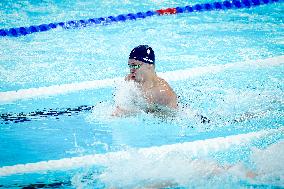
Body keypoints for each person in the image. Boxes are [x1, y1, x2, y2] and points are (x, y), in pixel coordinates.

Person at [112, 45, 178, 116]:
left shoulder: (163, 92)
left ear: (149, 65)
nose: (131, 70)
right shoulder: (131, 81)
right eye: (130, 66)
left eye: (135, 66)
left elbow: (171, 116)